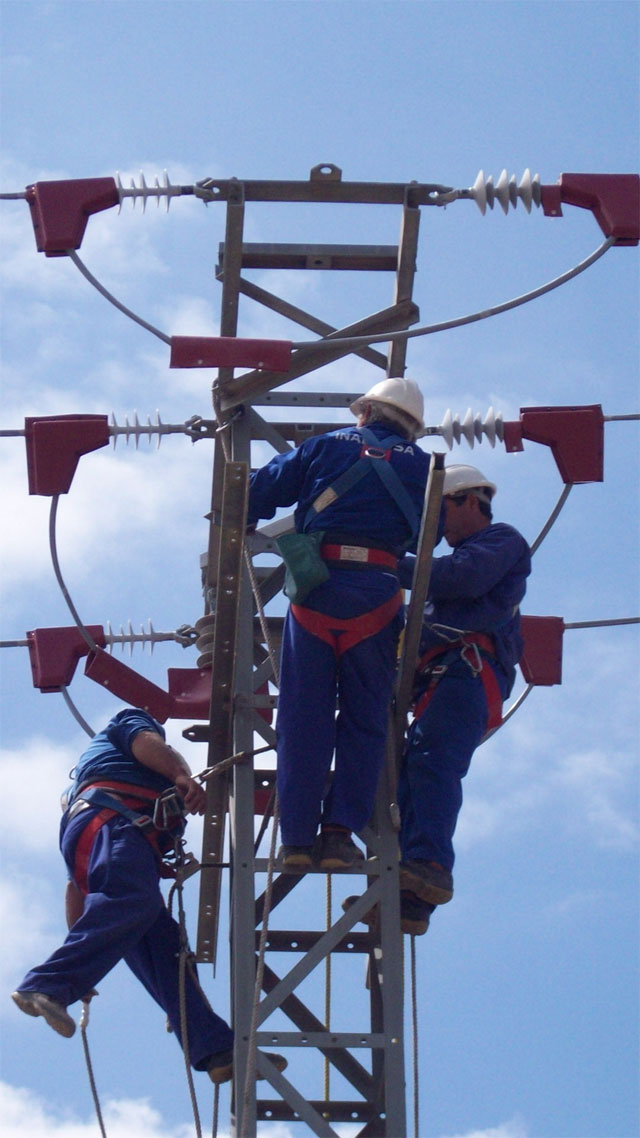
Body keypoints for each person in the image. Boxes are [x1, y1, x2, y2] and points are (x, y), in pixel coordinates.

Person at [11, 707, 286, 1084]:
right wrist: (179, 775)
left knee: (165, 955)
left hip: (103, 840)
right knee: (134, 901)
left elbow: (78, 889)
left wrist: (87, 956)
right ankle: (46, 984)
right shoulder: (130, 723)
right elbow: (144, 741)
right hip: (117, 823)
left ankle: (215, 1049)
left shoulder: (86, 791)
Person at [247, 377, 433, 871]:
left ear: (366, 413)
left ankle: (297, 840)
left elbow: (256, 494)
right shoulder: (426, 467)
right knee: (365, 721)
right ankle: (338, 835)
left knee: (302, 719)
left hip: (317, 592)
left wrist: (236, 516)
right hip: (377, 597)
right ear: (412, 428)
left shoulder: (324, 447)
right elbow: (432, 538)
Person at [392, 463, 532, 934]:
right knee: (409, 775)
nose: (437, 528)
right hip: (442, 681)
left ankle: (428, 865)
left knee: (432, 763)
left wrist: (383, 562)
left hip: (466, 673)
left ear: (470, 500)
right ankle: (413, 897)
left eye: (440, 514)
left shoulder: (501, 542)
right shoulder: (436, 585)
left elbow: (462, 579)